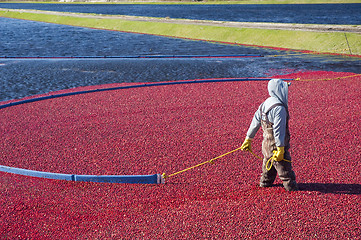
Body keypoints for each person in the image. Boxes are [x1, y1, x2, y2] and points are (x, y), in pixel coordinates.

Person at [240, 79, 298, 191]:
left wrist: (248, 138)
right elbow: (278, 130)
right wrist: (280, 149)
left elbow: (255, 122)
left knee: (268, 164)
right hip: (276, 147)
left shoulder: (265, 104)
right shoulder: (279, 108)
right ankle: (292, 188)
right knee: (285, 170)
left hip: (266, 145)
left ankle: (265, 183)